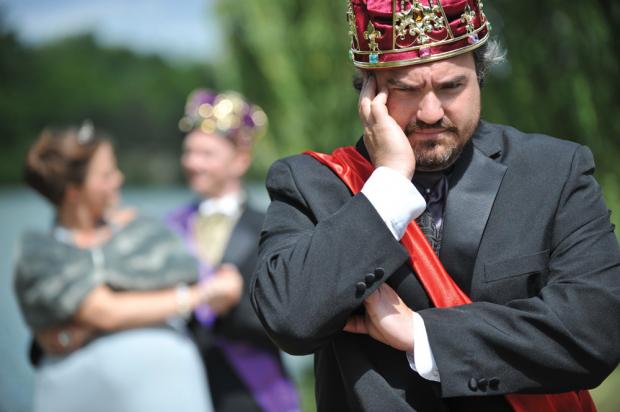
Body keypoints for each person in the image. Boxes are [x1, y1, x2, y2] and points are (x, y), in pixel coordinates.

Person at [251, 0, 620, 411]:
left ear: (481, 75)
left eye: (451, 87)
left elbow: (596, 331)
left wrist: (423, 335)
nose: (430, 113)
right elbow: (288, 319)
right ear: (368, 90)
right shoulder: (311, 183)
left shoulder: (554, 172)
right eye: (406, 89)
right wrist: (389, 183)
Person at [15, 122, 243, 412]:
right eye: (107, 174)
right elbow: (103, 311)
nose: (119, 179)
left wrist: (81, 326)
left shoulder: (143, 231)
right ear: (74, 191)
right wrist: (199, 295)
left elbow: (183, 273)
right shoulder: (41, 253)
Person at [167, 89, 300, 412]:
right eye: (189, 152)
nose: (193, 163)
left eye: (206, 154)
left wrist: (234, 303)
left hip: (250, 390)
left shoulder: (271, 227)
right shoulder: (168, 227)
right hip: (179, 385)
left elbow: (292, 314)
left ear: (240, 160)